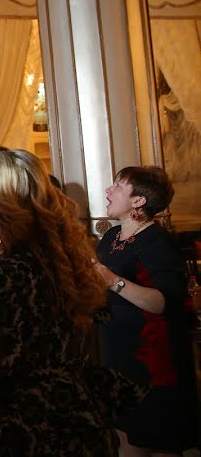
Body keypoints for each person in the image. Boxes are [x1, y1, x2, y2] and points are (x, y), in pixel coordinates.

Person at [0, 149, 143, 456]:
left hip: (43, 428)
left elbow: (1, 364)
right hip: (78, 413)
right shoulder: (55, 256)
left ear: (10, 202)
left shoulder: (12, 271)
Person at [94, 166, 198, 455]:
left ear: (138, 201)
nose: (108, 190)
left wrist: (113, 281)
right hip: (118, 354)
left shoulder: (158, 242)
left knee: (160, 440)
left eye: (117, 185)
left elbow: (163, 302)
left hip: (153, 362)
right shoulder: (110, 238)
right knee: (126, 437)